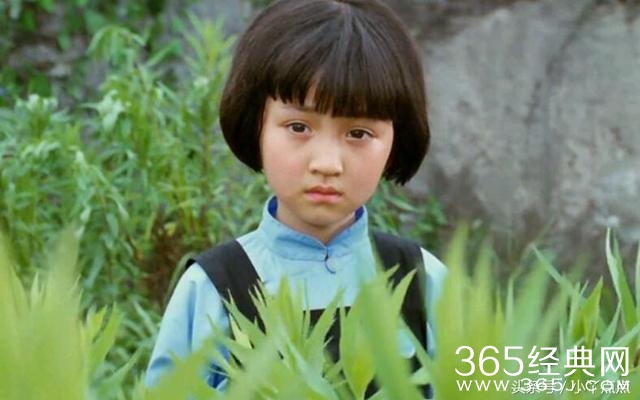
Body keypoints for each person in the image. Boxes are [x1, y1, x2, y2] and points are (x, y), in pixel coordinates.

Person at [144, 0, 447, 392]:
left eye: (358, 133)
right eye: (299, 127)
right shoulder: (212, 290)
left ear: (396, 140)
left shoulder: (424, 281)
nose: (327, 163)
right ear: (256, 124)